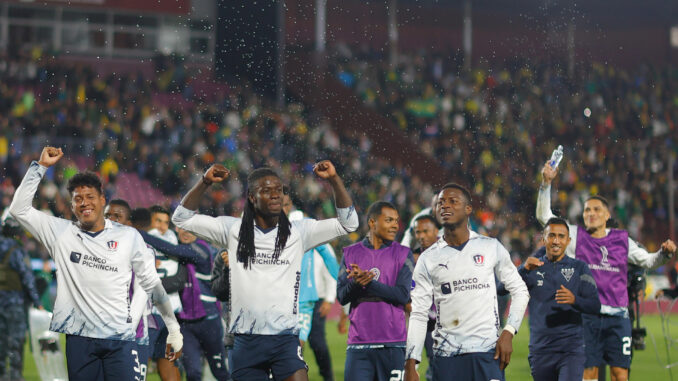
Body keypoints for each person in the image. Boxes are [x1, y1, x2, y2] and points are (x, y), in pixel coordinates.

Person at [172, 161, 358, 381]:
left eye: (278, 190)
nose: (275, 195)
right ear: (252, 197)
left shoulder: (300, 232)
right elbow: (181, 218)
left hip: (285, 340)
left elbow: (349, 223)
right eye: (266, 190)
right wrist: (205, 182)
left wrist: (334, 180)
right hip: (245, 341)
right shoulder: (232, 230)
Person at [8, 147, 183, 381]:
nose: (84, 203)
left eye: (90, 197)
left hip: (119, 339)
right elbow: (18, 209)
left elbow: (152, 283)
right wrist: (41, 167)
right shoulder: (61, 233)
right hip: (80, 340)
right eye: (77, 199)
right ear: (71, 206)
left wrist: (173, 328)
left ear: (102, 200)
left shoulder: (128, 237)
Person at [538, 162, 677, 381]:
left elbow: (649, 261)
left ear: (607, 215)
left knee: (620, 375)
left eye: (596, 210)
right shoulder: (575, 237)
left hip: (617, 318)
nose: (590, 213)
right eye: (587, 210)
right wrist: (546, 184)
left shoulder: (622, 240)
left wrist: (664, 253)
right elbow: (545, 218)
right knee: (588, 374)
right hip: (586, 317)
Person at [405, 183, 529, 381]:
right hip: (446, 358)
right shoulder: (428, 258)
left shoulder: (490, 247)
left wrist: (508, 332)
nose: (445, 206)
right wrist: (411, 362)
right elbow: (418, 314)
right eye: (441, 203)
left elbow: (520, 290)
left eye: (453, 201)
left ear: (468, 209)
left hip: (488, 353)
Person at [337, 201, 414, 381]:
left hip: (393, 345)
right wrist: (356, 283)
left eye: (396, 221)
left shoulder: (403, 253)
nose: (395, 225)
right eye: (389, 220)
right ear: (372, 222)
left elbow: (403, 295)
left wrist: (368, 283)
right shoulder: (349, 253)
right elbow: (341, 296)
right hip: (359, 346)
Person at [140, 226, 230, 381]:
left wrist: (139, 234)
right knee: (193, 373)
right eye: (182, 229)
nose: (186, 233)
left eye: (191, 229)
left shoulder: (201, 250)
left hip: (209, 322)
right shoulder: (183, 249)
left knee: (220, 371)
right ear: (176, 229)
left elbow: (171, 249)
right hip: (186, 324)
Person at [519, 217, 600, 381]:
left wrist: (575, 300)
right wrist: (523, 269)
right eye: (552, 236)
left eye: (561, 236)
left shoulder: (579, 268)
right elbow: (501, 290)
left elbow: (595, 305)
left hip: (571, 350)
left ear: (568, 240)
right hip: (540, 350)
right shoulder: (532, 267)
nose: (556, 241)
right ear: (543, 239)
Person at [0, 210, 41, 381]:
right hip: (14, 303)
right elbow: (27, 278)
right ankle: (15, 375)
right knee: (15, 341)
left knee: (0, 341)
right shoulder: (17, 251)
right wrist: (36, 301)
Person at [411, 214, 440, 381]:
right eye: (417, 232)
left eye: (425, 231)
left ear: (436, 231)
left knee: (440, 360)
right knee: (430, 358)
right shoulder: (412, 258)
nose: (421, 236)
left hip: (446, 318)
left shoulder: (448, 253)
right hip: (424, 318)